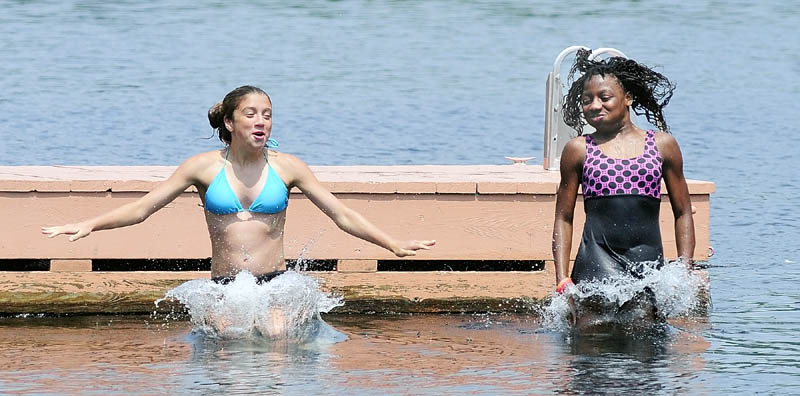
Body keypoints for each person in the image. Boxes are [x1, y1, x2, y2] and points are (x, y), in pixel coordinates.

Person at [42, 85, 435, 335]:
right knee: (229, 337)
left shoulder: (288, 167)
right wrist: (89, 224)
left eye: (267, 114)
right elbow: (144, 209)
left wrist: (393, 244)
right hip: (225, 286)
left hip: (275, 282)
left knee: (278, 336)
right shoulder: (202, 167)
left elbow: (341, 214)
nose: (261, 120)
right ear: (229, 122)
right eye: (251, 114)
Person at [551, 49, 695, 327]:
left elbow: (683, 211)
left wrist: (684, 268)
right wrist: (562, 277)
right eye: (586, 100)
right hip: (596, 261)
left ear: (627, 98)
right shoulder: (578, 150)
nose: (594, 105)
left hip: (647, 265)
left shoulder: (663, 145)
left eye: (604, 98)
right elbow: (563, 217)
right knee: (591, 339)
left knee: (644, 346)